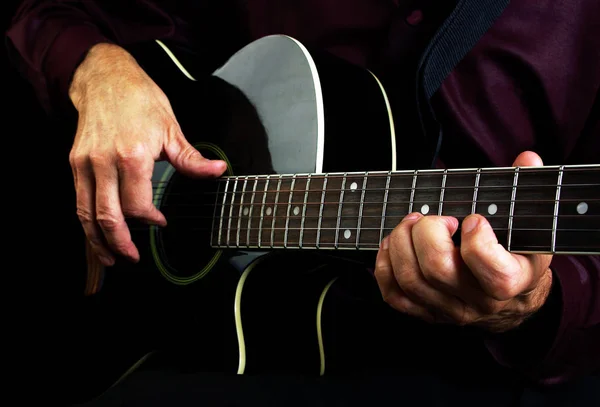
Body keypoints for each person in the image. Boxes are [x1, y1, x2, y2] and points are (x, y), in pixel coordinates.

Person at [6, 0, 599, 405]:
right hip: (170, 325)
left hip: (436, 360)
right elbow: (53, 13)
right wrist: (101, 68)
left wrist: (531, 304)